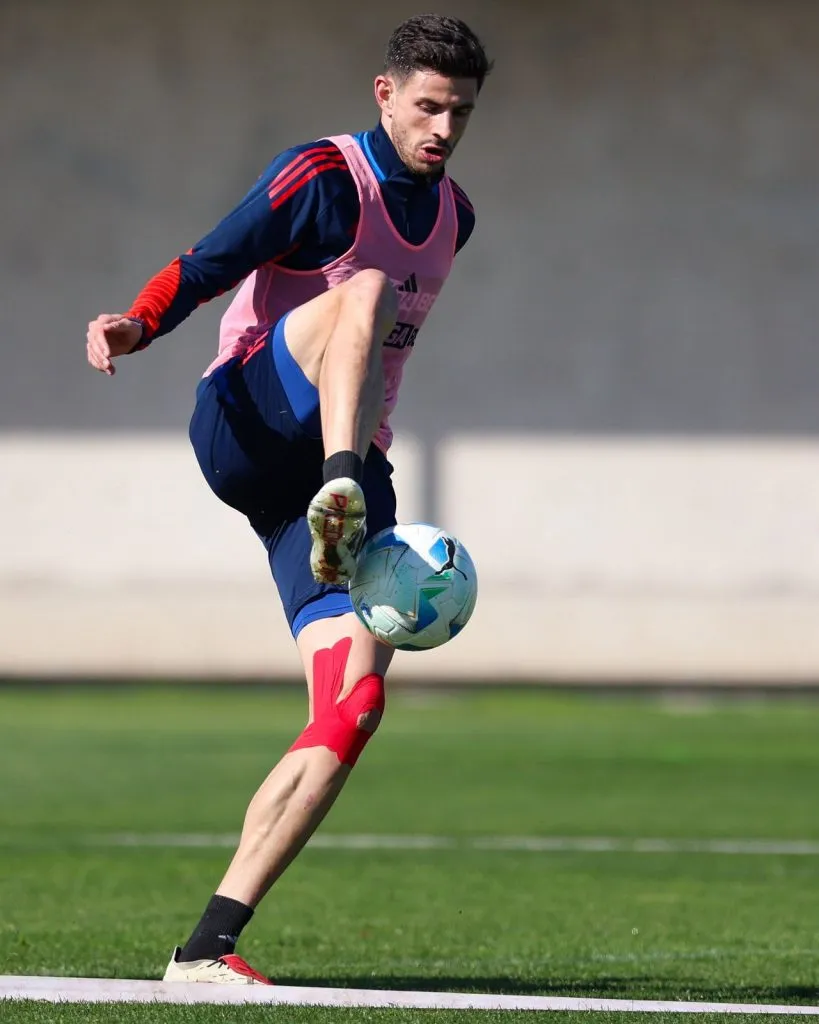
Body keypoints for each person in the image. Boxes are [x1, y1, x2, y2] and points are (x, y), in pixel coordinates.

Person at [85, 13, 492, 986]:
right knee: (363, 293)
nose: (443, 127)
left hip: (324, 485)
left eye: (462, 113)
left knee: (353, 705)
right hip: (251, 425)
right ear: (384, 94)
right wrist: (138, 324)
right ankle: (343, 482)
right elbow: (210, 258)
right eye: (428, 105)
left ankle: (206, 948)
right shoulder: (320, 176)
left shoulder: (456, 216)